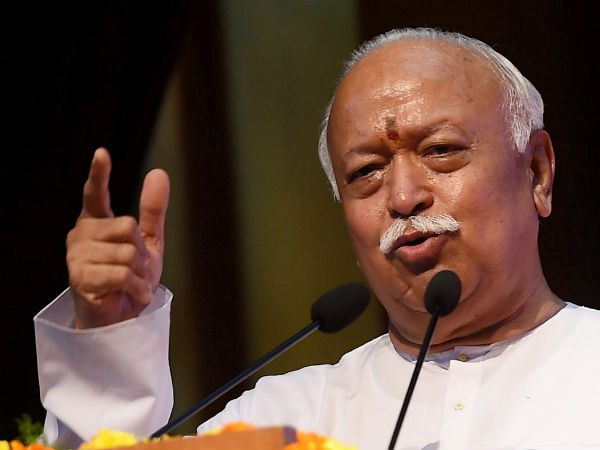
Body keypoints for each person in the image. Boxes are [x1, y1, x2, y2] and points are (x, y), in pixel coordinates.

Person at [35, 28, 600, 450]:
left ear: (537, 172)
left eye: (440, 151)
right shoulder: (276, 423)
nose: (403, 196)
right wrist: (107, 343)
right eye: (366, 172)